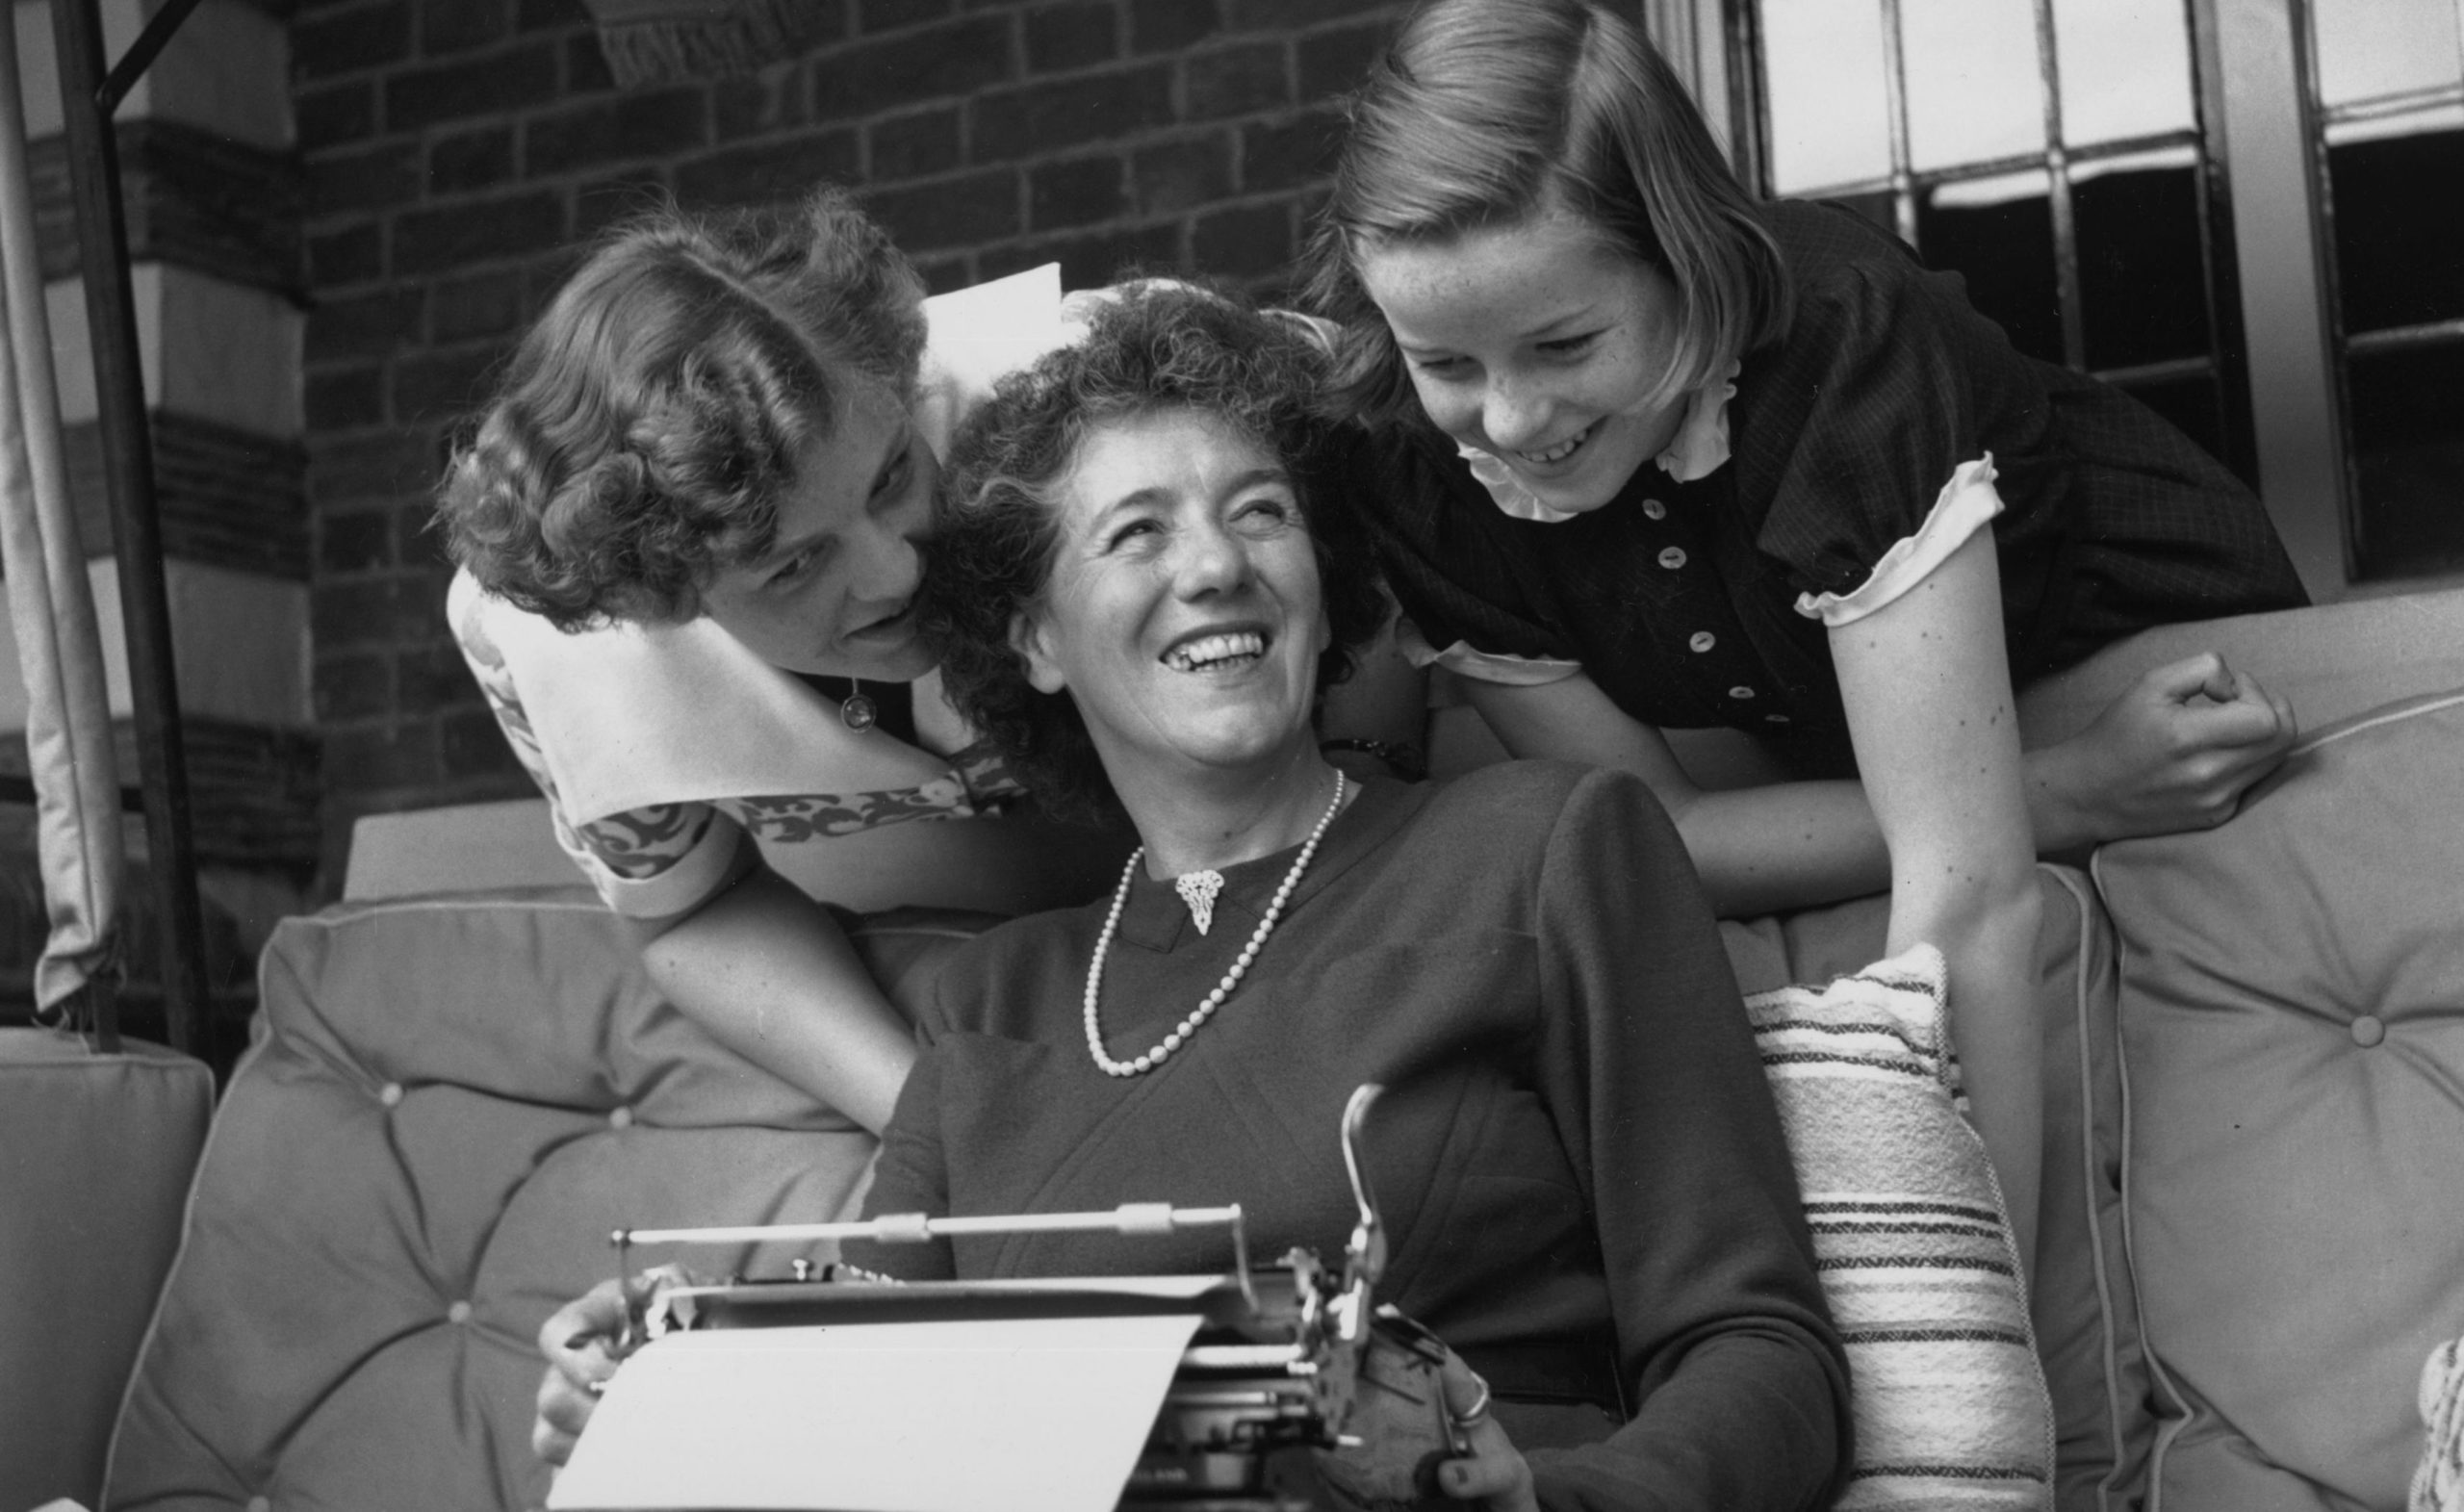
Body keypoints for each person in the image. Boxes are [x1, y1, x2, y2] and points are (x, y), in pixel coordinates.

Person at [533, 286, 1854, 1511]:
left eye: (1261, 510)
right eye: (1136, 531)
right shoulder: (991, 1007)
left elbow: (1764, 1353)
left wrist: (1550, 1501)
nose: (1216, 564)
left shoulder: (1545, 846)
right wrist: (668, 1385)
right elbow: (875, 1409)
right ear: (1034, 639)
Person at [1300, 0, 2312, 1266]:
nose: (1509, 418)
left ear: (1687, 255)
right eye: (1447, 359)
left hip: (2181, 689)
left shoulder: (1840, 348)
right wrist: (2078, 788)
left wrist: (1953, 1348)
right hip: (1997, 769)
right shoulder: (1416, 465)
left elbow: (1970, 895)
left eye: (1566, 342)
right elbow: (1660, 831)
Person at [438, 189, 1159, 1134]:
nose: (896, 566)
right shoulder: (543, 643)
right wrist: (935, 1121)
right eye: (796, 562)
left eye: (893, 474)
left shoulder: (1071, 374)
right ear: (657, 593)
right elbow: (694, 908)